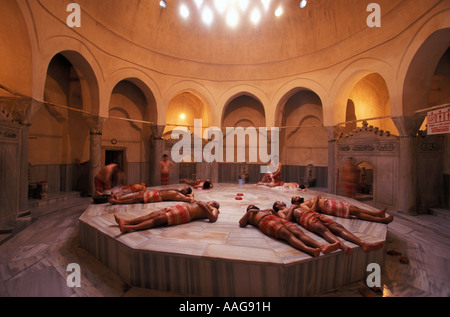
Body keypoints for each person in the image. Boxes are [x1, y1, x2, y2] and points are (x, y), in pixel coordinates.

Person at [274, 197, 384, 254]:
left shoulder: (296, 205)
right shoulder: (282, 211)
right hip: (304, 218)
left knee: (338, 227)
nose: (281, 201)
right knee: (324, 230)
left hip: (314, 214)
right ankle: (343, 246)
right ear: (278, 206)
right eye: (279, 201)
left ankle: (363, 243)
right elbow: (286, 220)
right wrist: (292, 208)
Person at [239, 205, 339, 257]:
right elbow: (241, 223)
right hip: (265, 221)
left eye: (252, 205)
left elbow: (284, 217)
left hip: (277, 219)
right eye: (249, 206)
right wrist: (249, 212)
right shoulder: (250, 215)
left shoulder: (263, 210)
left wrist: (273, 211)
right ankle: (310, 250)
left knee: (299, 233)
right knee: (288, 235)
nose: (252, 205)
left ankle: (322, 246)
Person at [114, 201, 220, 233]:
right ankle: (126, 221)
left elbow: (213, 219)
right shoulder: (204, 203)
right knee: (152, 215)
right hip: (180, 207)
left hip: (185, 213)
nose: (212, 201)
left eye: (214, 202)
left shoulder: (213, 209)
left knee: (157, 220)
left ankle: (128, 228)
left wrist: (204, 206)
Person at [301, 195, 393, 223]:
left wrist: (317, 198)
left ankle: (377, 213)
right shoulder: (302, 205)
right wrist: (317, 199)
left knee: (355, 208)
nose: (296, 196)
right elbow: (311, 211)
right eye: (295, 198)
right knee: (355, 212)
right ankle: (380, 220)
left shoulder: (308, 200)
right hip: (328, 207)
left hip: (330, 202)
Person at [109, 187, 195, 204]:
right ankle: (120, 198)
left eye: (186, 190)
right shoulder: (177, 190)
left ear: (186, 193)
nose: (184, 189)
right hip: (156, 192)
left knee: (138, 199)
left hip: (157, 197)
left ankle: (117, 202)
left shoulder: (180, 196)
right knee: (138, 195)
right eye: (185, 188)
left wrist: (191, 195)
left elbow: (191, 200)